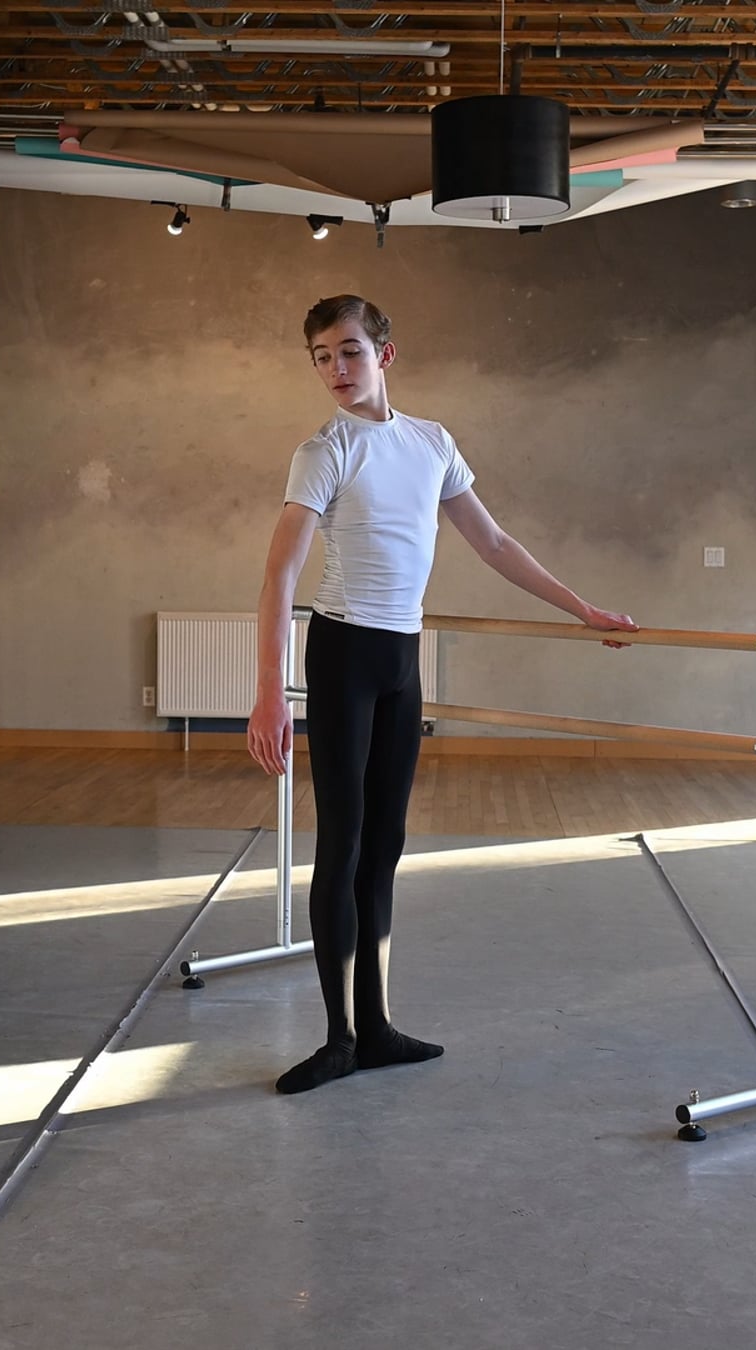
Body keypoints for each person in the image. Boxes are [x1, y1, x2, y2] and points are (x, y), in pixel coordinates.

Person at [248, 294, 637, 1095]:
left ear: (384, 354)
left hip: (402, 657)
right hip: (345, 652)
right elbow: (280, 573)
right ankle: (338, 1038)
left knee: (386, 842)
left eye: (349, 351)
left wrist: (583, 609)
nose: (335, 369)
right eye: (321, 357)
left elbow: (493, 542)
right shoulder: (323, 451)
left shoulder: (432, 442)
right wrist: (267, 694)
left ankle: (378, 1026)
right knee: (343, 842)